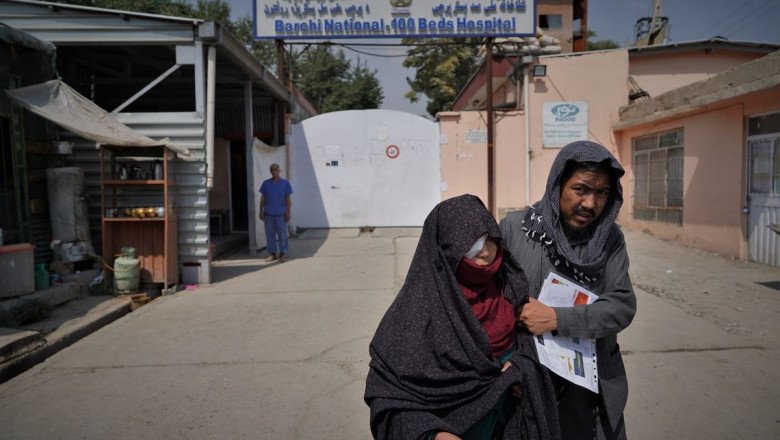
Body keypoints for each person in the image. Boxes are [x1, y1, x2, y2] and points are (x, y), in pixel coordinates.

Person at [365, 194, 560, 440]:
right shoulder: (416, 313)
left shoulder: (511, 290)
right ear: (446, 251)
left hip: (512, 425)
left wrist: (524, 373)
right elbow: (388, 397)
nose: (486, 253)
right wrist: (431, 434)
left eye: (490, 240)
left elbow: (536, 350)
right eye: (472, 246)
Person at [499, 141, 637, 440]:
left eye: (601, 193)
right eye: (581, 189)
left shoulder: (610, 240)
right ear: (558, 185)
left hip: (586, 390)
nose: (590, 203)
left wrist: (557, 319)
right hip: (524, 381)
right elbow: (488, 301)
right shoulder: (516, 229)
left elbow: (621, 306)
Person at [259, 163, 292, 262]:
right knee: (270, 235)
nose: (274, 171)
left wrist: (288, 212)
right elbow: (263, 198)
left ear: (279, 170)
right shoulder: (266, 184)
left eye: (275, 169)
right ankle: (272, 254)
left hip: (281, 214)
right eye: (272, 170)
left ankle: (283, 253)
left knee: (282, 235)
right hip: (268, 214)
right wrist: (260, 211)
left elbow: (288, 199)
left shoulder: (285, 184)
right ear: (270, 171)